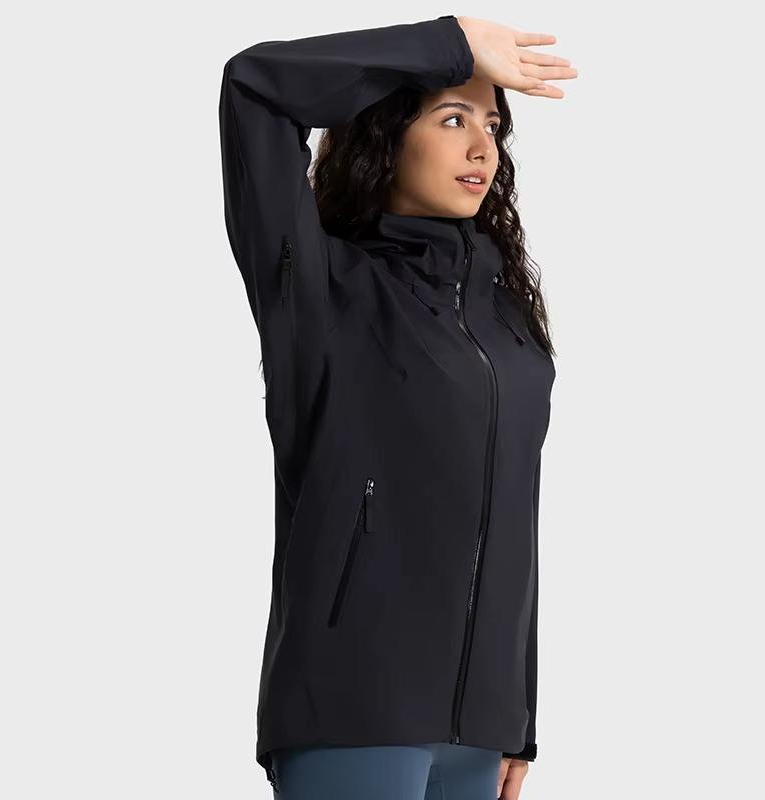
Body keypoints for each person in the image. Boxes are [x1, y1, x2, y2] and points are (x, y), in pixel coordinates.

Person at [218, 13, 576, 800]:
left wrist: (517, 717)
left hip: (478, 731)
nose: (481, 147)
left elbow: (512, 519)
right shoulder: (322, 291)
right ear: (382, 140)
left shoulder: (506, 319)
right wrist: (448, 44)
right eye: (451, 119)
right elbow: (254, 87)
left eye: (491, 125)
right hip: (355, 709)